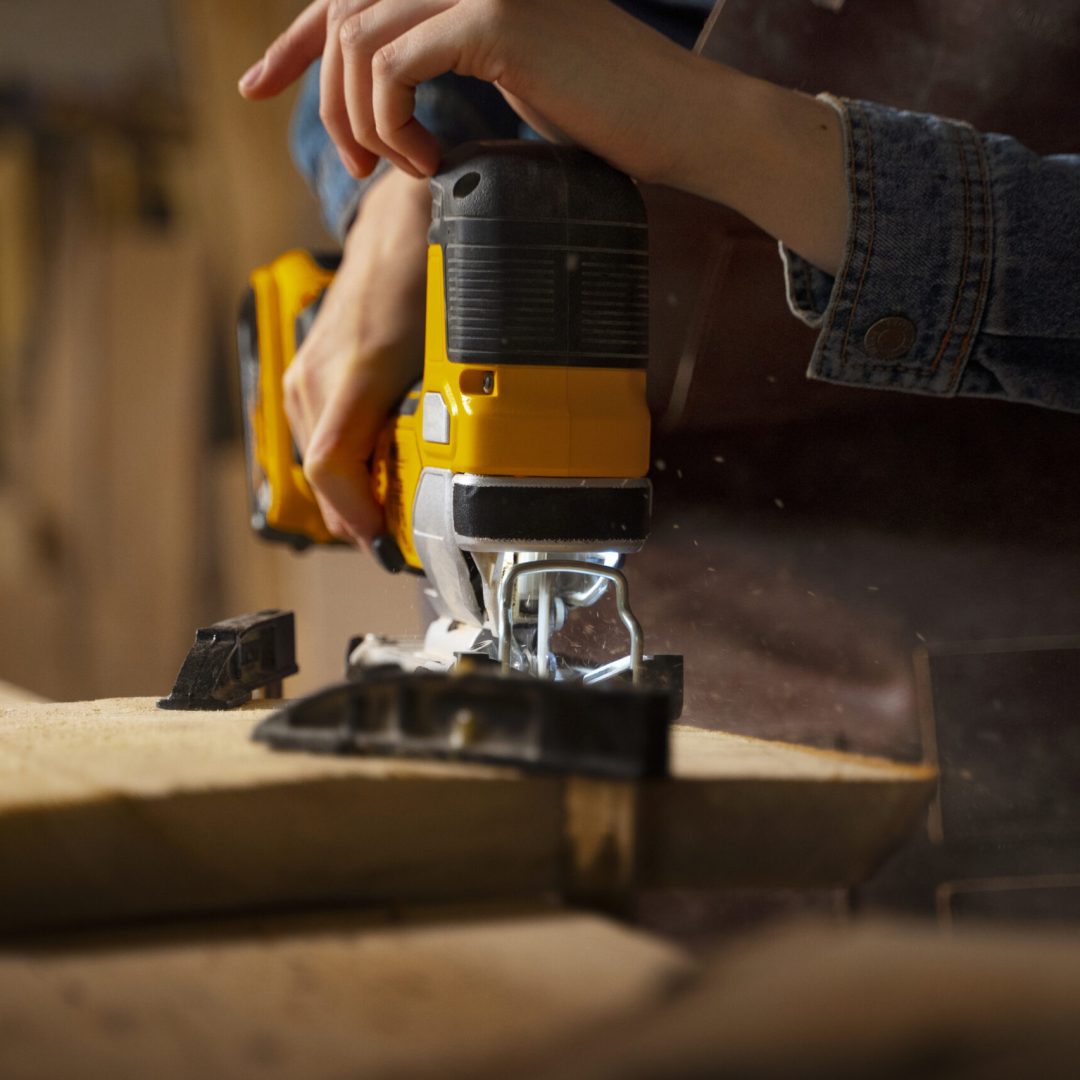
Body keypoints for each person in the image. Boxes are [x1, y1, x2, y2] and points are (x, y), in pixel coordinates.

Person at [239, 0, 1080, 548]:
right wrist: (406, 182)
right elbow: (384, 33)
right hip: (633, 582)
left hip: (963, 625)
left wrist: (727, 135)